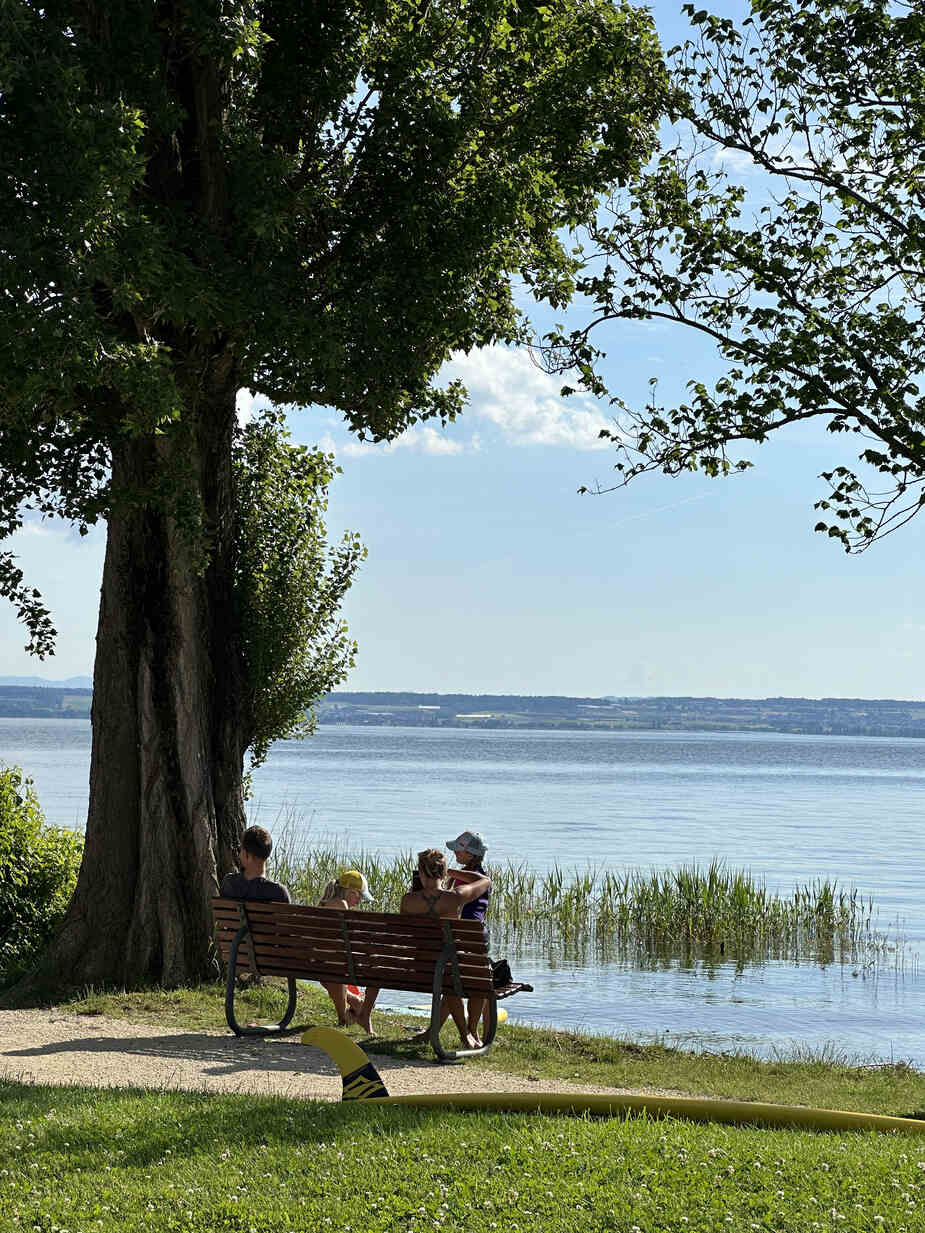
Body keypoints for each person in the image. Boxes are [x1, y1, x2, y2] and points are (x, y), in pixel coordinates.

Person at [403, 847, 492, 1050]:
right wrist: (451, 873)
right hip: (449, 968)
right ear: (442, 872)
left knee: (448, 973)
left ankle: (459, 1033)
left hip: (420, 968)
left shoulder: (408, 901)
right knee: (456, 975)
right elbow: (485, 881)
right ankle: (466, 1035)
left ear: (420, 872)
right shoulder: (456, 897)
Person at [446, 830, 491, 1044]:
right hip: (476, 935)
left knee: (451, 979)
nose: (455, 851)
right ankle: (472, 1031)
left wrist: (450, 873)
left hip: (462, 935)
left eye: (459, 849)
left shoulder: (471, 878)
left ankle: (469, 1032)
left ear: (471, 854)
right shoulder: (473, 876)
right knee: (475, 980)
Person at [317, 870, 374, 1029]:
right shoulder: (340, 905)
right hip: (334, 961)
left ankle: (352, 1007)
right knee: (336, 969)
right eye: (359, 896)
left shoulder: (324, 903)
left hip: (316, 961)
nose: (359, 901)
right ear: (350, 892)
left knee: (330, 971)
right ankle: (352, 1008)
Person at [219, 825, 290, 902]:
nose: (239, 855)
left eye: (240, 850)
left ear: (248, 856)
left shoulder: (229, 883)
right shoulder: (279, 893)